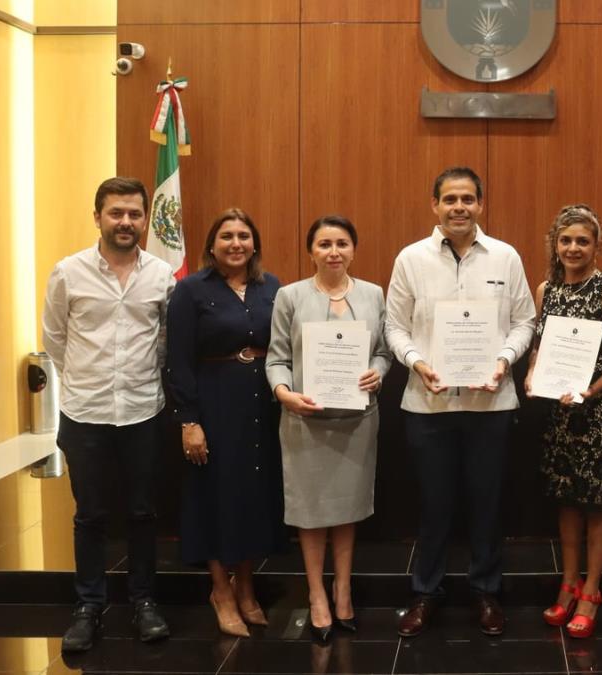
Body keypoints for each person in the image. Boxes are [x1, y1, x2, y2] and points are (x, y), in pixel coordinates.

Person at [385, 167, 536, 637]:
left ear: (480, 204)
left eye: (468, 198)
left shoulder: (505, 257)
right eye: (450, 198)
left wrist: (504, 361)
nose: (459, 207)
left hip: (490, 404)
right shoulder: (411, 259)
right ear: (434, 205)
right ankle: (426, 593)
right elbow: (395, 328)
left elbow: (524, 322)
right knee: (434, 505)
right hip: (428, 406)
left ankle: (486, 592)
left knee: (487, 502)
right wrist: (416, 362)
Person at [42, 177, 174, 651]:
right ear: (97, 215)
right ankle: (88, 607)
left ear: (144, 219)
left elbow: (163, 342)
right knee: (90, 515)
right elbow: (55, 338)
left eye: (135, 214)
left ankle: (143, 602)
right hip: (86, 410)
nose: (126, 222)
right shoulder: (68, 272)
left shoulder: (161, 274)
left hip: (142, 409)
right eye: (116, 212)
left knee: (142, 512)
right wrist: (85, 380)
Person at [266, 215, 391, 641]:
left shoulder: (375, 294)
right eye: (324, 244)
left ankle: (343, 590)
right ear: (311, 251)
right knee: (311, 511)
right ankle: (317, 593)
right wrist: (284, 393)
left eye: (341, 243)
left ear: (354, 249)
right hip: (305, 420)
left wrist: (377, 371)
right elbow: (276, 358)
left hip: (357, 421)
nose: (333, 251)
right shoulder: (290, 296)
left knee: (346, 509)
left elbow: (383, 352)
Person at [165, 208, 286, 638]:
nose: (236, 243)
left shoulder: (271, 287)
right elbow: (177, 361)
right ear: (211, 246)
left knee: (255, 493)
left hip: (262, 404)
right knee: (214, 493)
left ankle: (247, 585)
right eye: (227, 236)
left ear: (254, 243)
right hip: (213, 404)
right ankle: (220, 588)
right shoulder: (190, 291)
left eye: (243, 236)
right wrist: (189, 421)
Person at [524, 204, 602, 639]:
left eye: (582, 241)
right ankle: (568, 583)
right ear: (556, 243)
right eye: (566, 240)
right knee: (566, 500)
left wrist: (594, 389)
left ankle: (591, 590)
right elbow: (538, 346)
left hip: (596, 411)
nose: (573, 248)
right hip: (558, 410)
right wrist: (533, 374)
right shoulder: (545, 289)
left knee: (597, 504)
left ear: (596, 245)